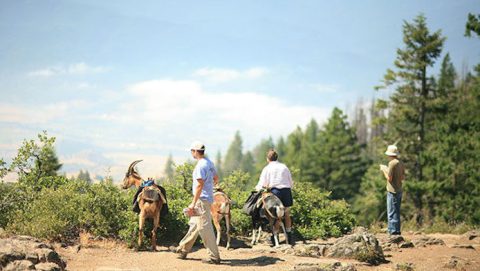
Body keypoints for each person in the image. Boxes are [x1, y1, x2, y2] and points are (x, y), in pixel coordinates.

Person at [170, 141, 221, 264]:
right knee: (195, 224)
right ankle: (183, 249)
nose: (191, 153)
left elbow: (199, 185)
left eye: (191, 151)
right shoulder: (209, 163)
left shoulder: (200, 166)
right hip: (207, 198)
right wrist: (209, 189)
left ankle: (214, 257)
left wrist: (193, 203)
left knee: (205, 227)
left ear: (195, 151)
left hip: (201, 199)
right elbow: (216, 178)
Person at [255, 149, 294, 245]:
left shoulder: (267, 168)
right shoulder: (284, 167)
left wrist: (257, 189)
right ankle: (289, 235)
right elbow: (290, 181)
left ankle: (274, 237)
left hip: (275, 192)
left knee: (276, 216)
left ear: (268, 159)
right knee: (287, 213)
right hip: (287, 191)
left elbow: (262, 183)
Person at [381, 145, 405, 236]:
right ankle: (397, 230)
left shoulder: (392, 163)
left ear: (390, 155)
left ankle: (392, 231)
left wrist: (384, 170)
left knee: (391, 212)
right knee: (397, 211)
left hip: (392, 191)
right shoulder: (401, 163)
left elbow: (389, 178)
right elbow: (402, 177)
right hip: (399, 190)